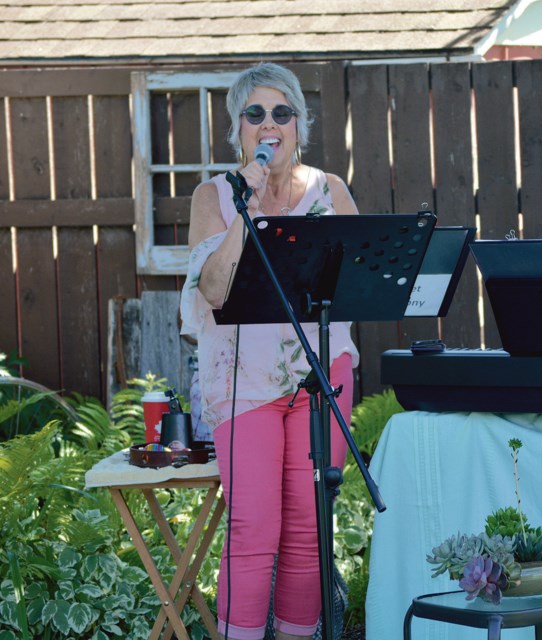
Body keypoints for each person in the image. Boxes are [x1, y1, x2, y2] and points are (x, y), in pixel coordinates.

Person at [179, 62, 360, 640]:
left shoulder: (330, 190)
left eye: (282, 112)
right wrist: (247, 205)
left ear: (299, 124)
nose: (269, 124)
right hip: (245, 377)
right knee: (255, 528)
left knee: (310, 528)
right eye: (254, 114)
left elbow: (360, 279)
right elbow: (212, 288)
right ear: (238, 128)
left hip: (322, 372)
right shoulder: (213, 195)